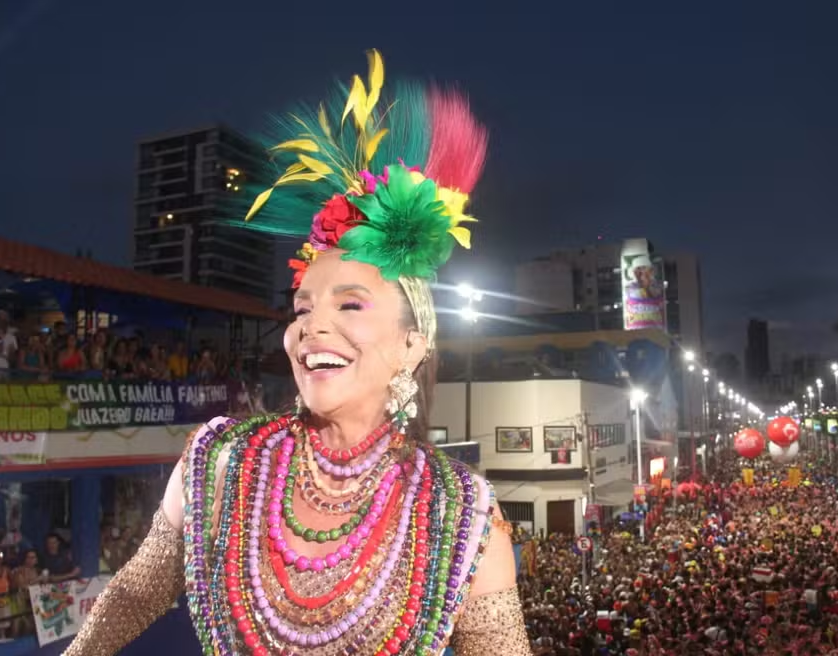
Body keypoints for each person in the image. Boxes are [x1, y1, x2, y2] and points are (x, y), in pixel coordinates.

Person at [65, 50, 529, 655]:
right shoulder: (218, 463)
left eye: (350, 305)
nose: (312, 327)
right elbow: (134, 594)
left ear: (412, 346)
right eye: (303, 307)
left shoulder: (462, 517)